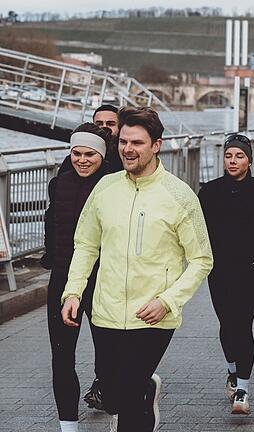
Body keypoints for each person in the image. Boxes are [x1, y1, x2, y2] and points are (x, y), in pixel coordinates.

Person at [60, 107, 213, 432]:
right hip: (106, 312)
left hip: (153, 314)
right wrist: (73, 291)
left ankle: (138, 394)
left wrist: (168, 301)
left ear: (156, 145)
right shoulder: (105, 188)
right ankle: (146, 389)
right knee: (111, 396)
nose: (128, 149)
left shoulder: (180, 196)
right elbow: (86, 245)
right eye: (124, 141)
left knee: (127, 402)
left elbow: (202, 259)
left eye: (137, 143)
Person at [198, 134, 254, 415]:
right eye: (228, 156)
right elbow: (197, 229)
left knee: (242, 323)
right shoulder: (209, 192)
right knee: (227, 323)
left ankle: (243, 390)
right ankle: (233, 371)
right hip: (219, 268)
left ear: (249, 160)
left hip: (252, 268)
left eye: (239, 156)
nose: (233, 161)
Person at [42, 123, 111, 432]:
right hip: (62, 279)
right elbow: (51, 219)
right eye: (76, 153)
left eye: (90, 154)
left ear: (102, 155)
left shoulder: (114, 185)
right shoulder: (58, 184)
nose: (82, 160)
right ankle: (68, 426)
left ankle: (125, 403)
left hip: (102, 281)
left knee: (111, 356)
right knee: (61, 356)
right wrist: (51, 256)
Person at [60, 104, 122, 177]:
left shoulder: (124, 157)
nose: (104, 127)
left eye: (110, 124)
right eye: (99, 124)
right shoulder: (71, 161)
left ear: (120, 126)